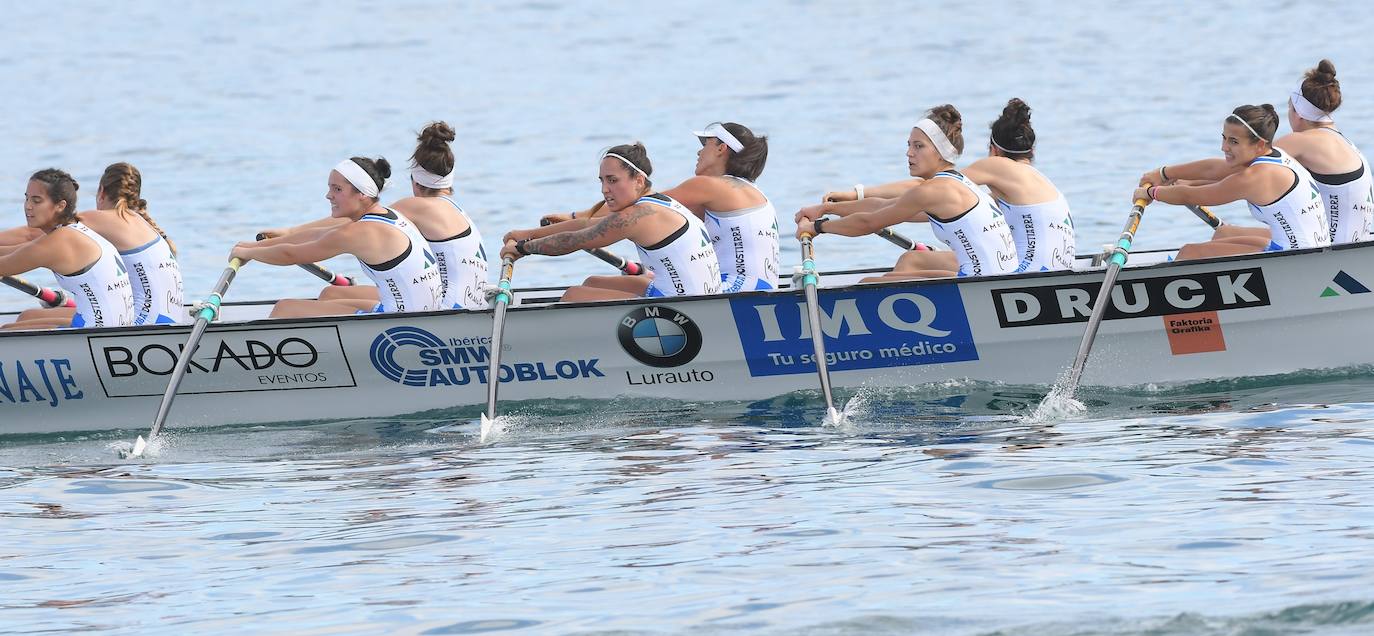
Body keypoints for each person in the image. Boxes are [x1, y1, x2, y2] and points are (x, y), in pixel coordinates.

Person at [545, 123, 779, 293]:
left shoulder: (710, 187)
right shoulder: (749, 190)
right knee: (592, 284)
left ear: (721, 149)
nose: (699, 152)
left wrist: (576, 217)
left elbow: (638, 204)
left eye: (705, 144)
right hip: (754, 284)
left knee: (577, 294)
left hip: (738, 290)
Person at [794, 105, 1018, 280]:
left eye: (918, 146)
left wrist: (817, 227)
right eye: (909, 145)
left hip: (981, 283)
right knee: (909, 262)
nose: (909, 153)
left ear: (940, 153)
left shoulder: (934, 191)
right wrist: (827, 208)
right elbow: (881, 207)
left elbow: (868, 223)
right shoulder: (960, 182)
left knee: (867, 285)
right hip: (993, 274)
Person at [290, 122, 489, 310]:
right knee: (331, 294)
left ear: (415, 180)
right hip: (466, 301)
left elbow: (355, 218)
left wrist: (288, 233)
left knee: (321, 300)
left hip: (445, 309)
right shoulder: (456, 209)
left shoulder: (418, 206)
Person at [501, 143, 722, 301]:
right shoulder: (658, 203)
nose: (605, 189)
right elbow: (589, 225)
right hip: (688, 293)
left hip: (684, 305)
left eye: (613, 180)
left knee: (573, 296)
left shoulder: (640, 215)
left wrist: (523, 248)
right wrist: (526, 233)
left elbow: (574, 241)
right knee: (592, 283)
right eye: (603, 180)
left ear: (638, 180)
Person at [231, 157, 443, 317]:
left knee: (284, 309)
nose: (328, 195)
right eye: (330, 187)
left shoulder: (362, 232)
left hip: (401, 320)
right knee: (330, 294)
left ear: (362, 194)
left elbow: (291, 254)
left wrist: (248, 253)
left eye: (337, 189)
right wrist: (260, 244)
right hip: (415, 309)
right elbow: (317, 234)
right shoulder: (386, 215)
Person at [1134, 105, 1330, 259]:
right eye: (1224, 138)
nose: (1224, 147)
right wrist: (1165, 173)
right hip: (1304, 245)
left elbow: (1195, 196)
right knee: (1224, 233)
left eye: (1233, 142)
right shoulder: (1274, 155)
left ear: (1259, 144)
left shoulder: (1257, 177)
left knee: (1189, 253)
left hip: (1297, 257)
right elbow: (1213, 170)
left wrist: (1151, 193)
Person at [0, 169, 134, 329]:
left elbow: (6, 265)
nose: (28, 206)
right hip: (106, 319)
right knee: (26, 316)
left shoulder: (58, 242)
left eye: (36, 201)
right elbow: (16, 252)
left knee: (7, 331)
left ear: (60, 206)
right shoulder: (71, 230)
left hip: (97, 328)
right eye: (27, 198)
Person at [73, 163, 184, 325]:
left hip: (145, 323)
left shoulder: (100, 218)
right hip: (167, 319)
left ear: (101, 192)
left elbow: (48, 230)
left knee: (29, 318)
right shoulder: (143, 223)